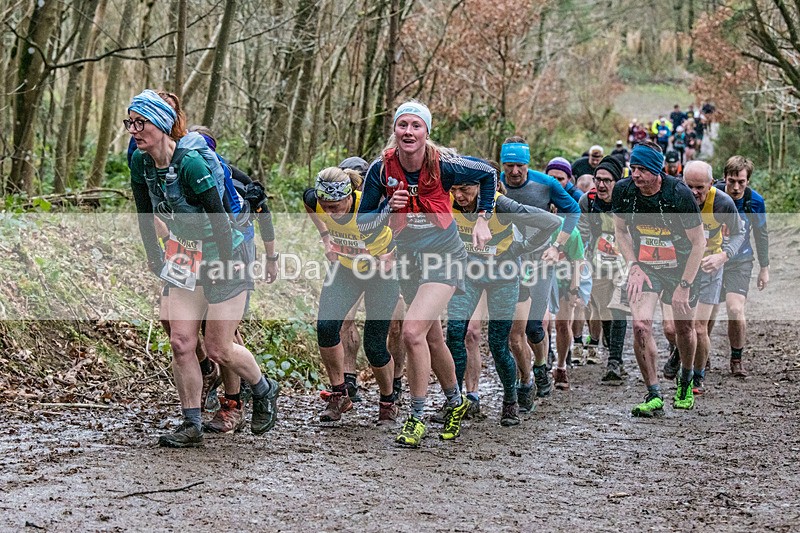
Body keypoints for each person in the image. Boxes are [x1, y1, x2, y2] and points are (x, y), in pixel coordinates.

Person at [127, 89, 279, 447]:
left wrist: (224, 267)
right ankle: (191, 423)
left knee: (218, 348)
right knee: (181, 341)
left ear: (161, 125)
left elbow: (221, 221)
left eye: (140, 122)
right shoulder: (140, 162)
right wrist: (154, 254)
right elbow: (144, 213)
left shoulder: (193, 162)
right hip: (184, 251)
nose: (134, 130)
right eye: (130, 122)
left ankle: (263, 388)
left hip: (226, 249)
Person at [357, 100, 497, 447]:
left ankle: (416, 417)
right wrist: (389, 207)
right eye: (402, 125)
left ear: (426, 132)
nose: (408, 131)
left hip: (445, 255)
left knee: (412, 333)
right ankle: (455, 402)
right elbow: (363, 224)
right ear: (395, 130)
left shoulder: (445, 166)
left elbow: (489, 175)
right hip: (409, 258)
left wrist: (482, 218)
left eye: (415, 126)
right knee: (432, 338)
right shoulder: (380, 170)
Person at [446, 179, 560, 425]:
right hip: (469, 275)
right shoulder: (449, 201)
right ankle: (456, 401)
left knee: (499, 344)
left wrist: (519, 249)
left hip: (503, 277)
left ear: (480, 188)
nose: (458, 195)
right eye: (454, 189)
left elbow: (551, 222)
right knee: (455, 332)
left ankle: (511, 400)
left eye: (464, 188)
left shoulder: (502, 205)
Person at [612, 141, 705, 416]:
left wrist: (684, 286)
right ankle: (653, 394)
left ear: (657, 170)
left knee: (683, 329)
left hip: (682, 267)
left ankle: (685, 381)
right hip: (648, 266)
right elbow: (621, 231)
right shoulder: (624, 190)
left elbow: (699, 243)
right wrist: (633, 266)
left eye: (642, 169)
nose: (636, 174)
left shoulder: (678, 194)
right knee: (640, 325)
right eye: (633, 168)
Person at [303, 166, 401, 424]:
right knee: (325, 327)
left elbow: (409, 225)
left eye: (336, 206)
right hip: (345, 269)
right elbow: (309, 203)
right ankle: (339, 394)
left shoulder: (370, 205)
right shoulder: (316, 200)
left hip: (382, 274)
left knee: (375, 345)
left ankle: (388, 401)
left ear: (350, 196)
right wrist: (326, 237)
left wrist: (394, 255)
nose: (330, 212)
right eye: (326, 206)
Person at [499, 137, 581, 410]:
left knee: (535, 327)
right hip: (508, 260)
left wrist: (558, 246)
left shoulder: (546, 184)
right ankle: (523, 380)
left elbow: (573, 211)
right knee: (513, 328)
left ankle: (542, 366)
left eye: (519, 165)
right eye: (509, 165)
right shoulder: (495, 183)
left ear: (528, 164)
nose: (514, 172)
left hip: (541, 259)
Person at [661, 161, 745, 394]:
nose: (695, 193)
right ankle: (679, 350)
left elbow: (739, 233)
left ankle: (696, 378)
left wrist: (723, 256)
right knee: (670, 328)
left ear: (711, 184)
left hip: (709, 267)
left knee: (698, 328)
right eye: (689, 187)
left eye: (700, 187)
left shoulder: (722, 203)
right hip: (677, 268)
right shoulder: (673, 198)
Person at [708, 156, 769, 377]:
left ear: (748, 181)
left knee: (735, 309)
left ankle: (736, 358)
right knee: (709, 310)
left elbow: (761, 234)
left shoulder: (755, 202)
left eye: (741, 182)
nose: (736, 187)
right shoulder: (711, 195)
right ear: (724, 178)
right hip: (711, 259)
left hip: (740, 260)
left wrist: (764, 267)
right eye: (732, 181)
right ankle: (701, 356)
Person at [577, 155, 630, 384]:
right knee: (605, 310)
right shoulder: (586, 202)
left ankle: (614, 362)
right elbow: (583, 233)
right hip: (598, 264)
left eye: (607, 180)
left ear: (617, 182)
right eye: (598, 179)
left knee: (619, 308)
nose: (601, 185)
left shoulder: (628, 201)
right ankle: (613, 353)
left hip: (625, 263)